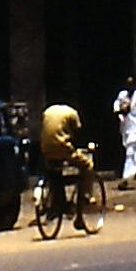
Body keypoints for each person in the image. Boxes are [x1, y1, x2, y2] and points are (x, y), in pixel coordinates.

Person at [38, 99, 99, 231]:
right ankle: (85, 199)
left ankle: (57, 202)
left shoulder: (48, 112)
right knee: (87, 165)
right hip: (63, 148)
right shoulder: (72, 113)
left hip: (45, 149)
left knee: (54, 172)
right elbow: (79, 134)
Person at [113, 77, 136, 189]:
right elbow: (116, 106)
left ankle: (127, 178)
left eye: (131, 84)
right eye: (128, 84)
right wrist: (120, 112)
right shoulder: (122, 95)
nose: (130, 87)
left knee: (132, 152)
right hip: (126, 126)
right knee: (132, 151)